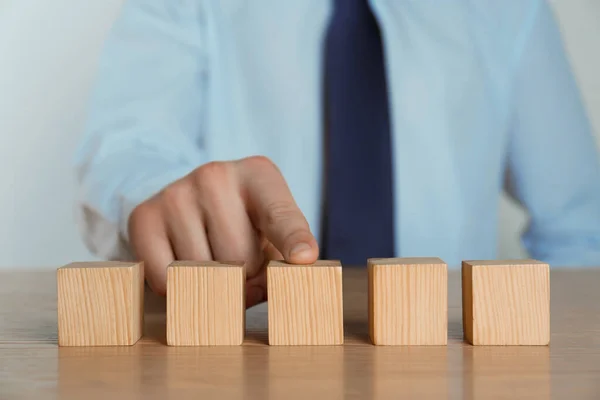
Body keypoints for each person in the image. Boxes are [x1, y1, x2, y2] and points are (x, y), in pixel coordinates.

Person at [74, 0, 600, 308]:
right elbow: (127, 146)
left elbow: (582, 229)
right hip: (246, 362)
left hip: (445, 368)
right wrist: (166, 201)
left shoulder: (509, 11)